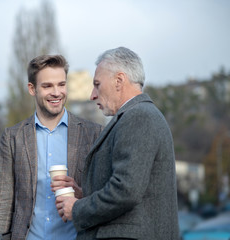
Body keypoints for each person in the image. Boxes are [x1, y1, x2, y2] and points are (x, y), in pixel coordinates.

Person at [56, 47, 179, 240]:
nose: (92, 95)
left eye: (97, 84)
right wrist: (85, 195)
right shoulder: (136, 116)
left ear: (119, 81)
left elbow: (126, 190)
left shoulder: (139, 116)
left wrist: (78, 208)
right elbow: (131, 187)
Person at [0, 54, 103, 240]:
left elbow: (106, 196)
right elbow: (2, 202)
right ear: (32, 89)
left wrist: (82, 195)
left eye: (61, 84)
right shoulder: (13, 138)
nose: (56, 92)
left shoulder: (94, 134)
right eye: (47, 86)